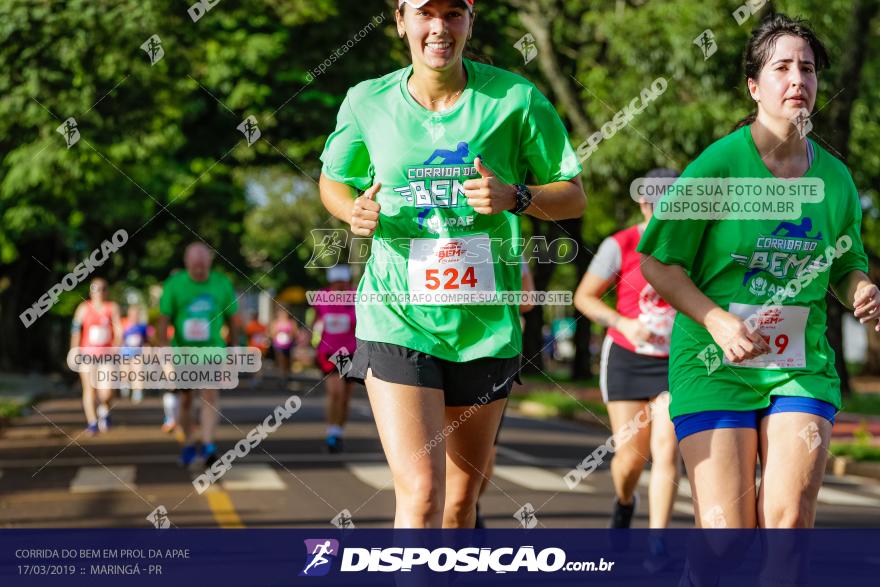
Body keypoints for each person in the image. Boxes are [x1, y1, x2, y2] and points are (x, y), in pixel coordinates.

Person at [318, 0, 585, 527]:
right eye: (424, 12)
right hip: (398, 317)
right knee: (420, 496)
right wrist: (354, 209)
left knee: (461, 504)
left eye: (453, 13)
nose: (439, 27)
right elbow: (333, 179)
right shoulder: (366, 101)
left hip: (484, 325)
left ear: (469, 21)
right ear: (400, 21)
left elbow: (573, 195)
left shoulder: (515, 98)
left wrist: (518, 196)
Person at [638, 14, 880, 529]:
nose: (799, 80)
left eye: (809, 69)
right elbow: (657, 262)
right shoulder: (718, 166)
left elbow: (845, 262)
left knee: (789, 519)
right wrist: (717, 321)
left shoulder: (834, 177)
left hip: (798, 364)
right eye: (783, 68)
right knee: (725, 537)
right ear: (755, 86)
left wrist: (861, 289)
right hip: (713, 363)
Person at [574, 168, 681, 533]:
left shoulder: (690, 246)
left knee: (667, 447)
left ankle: (657, 544)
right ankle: (624, 500)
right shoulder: (619, 245)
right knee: (631, 459)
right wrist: (623, 323)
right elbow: (584, 297)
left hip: (674, 362)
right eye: (656, 206)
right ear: (643, 203)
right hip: (627, 357)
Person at [158, 242, 238, 469]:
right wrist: (166, 358)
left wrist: (232, 352)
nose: (199, 271)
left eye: (203, 266)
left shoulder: (221, 284)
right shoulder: (175, 285)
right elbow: (163, 322)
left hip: (213, 351)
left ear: (210, 263)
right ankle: (188, 444)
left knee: (210, 396)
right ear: (187, 264)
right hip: (183, 353)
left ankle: (209, 445)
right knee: (185, 400)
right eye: (195, 267)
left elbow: (233, 321)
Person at [311, 265, 357, 453]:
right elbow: (315, 321)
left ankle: (338, 432)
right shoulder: (322, 297)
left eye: (343, 282)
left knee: (345, 397)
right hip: (330, 352)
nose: (340, 286)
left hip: (351, 352)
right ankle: (331, 432)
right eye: (336, 283)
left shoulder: (356, 296)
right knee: (334, 392)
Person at [71, 277, 122, 434]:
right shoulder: (83, 308)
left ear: (107, 291)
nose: (98, 292)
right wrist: (74, 349)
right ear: (90, 291)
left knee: (106, 391)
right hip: (87, 353)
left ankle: (104, 409)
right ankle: (92, 421)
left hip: (106, 355)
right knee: (89, 388)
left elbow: (119, 328)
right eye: (95, 288)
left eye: (102, 288)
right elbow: (75, 330)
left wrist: (117, 345)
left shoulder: (112, 307)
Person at [120, 303, 149, 404]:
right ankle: (125, 386)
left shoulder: (142, 327)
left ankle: (137, 392)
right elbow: (119, 338)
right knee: (126, 372)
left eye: (136, 314)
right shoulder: (123, 324)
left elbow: (146, 341)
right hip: (125, 354)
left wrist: (147, 351)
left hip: (137, 354)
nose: (134, 316)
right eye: (132, 314)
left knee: (138, 371)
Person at [270, 307, 298, 379]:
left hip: (288, 344)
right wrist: (277, 334)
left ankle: (286, 373)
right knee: (280, 358)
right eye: (281, 313)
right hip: (278, 344)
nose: (283, 315)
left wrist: (289, 335)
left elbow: (294, 333)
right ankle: (281, 374)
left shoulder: (291, 322)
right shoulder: (275, 322)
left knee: (287, 359)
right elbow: (272, 333)